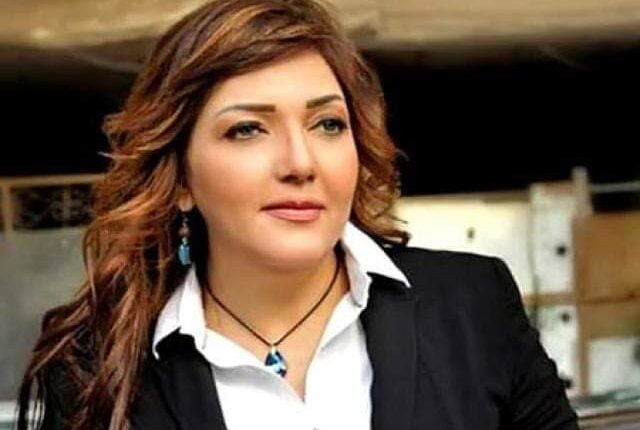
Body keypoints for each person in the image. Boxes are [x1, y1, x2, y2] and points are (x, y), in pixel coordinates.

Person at [16, 0, 579, 429]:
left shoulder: (472, 303)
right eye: (248, 129)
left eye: (327, 124)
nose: (300, 163)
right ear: (181, 178)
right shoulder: (95, 369)